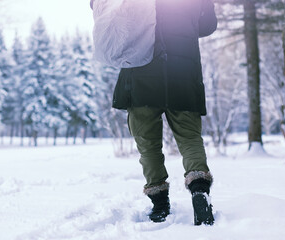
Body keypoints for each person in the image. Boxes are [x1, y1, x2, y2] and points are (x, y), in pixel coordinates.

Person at [91, 0, 217, 225]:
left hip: (140, 76)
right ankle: (199, 192)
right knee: (190, 139)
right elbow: (207, 26)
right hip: (183, 76)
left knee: (148, 146)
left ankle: (159, 205)